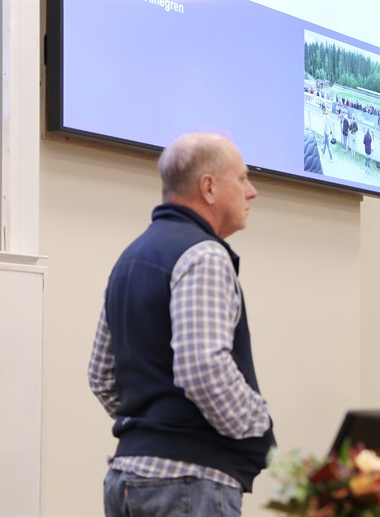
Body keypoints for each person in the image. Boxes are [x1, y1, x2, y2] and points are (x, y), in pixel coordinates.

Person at [88, 133, 276, 517]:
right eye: (241, 179)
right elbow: (202, 368)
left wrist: (153, 425)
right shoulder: (204, 255)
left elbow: (102, 376)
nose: (252, 191)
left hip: (126, 479)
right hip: (189, 487)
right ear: (208, 187)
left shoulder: (130, 258)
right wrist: (258, 425)